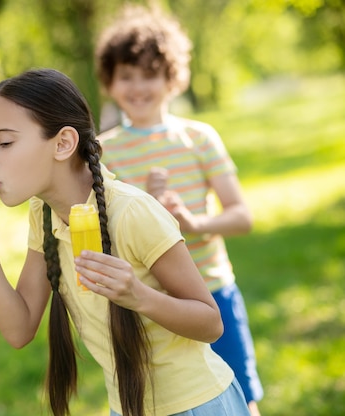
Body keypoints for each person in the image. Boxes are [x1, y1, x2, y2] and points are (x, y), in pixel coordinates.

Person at [0, 68, 250, 416]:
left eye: (5, 143)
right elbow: (19, 330)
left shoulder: (132, 212)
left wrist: (138, 296)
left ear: (63, 143)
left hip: (198, 405)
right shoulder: (44, 214)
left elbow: (210, 323)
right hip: (128, 408)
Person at [94, 6, 263, 416]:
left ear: (172, 77)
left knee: (242, 400)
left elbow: (241, 215)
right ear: (110, 83)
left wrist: (194, 223)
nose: (138, 86)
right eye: (126, 75)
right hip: (147, 301)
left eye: (149, 73)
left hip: (211, 290)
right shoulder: (102, 151)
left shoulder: (198, 138)